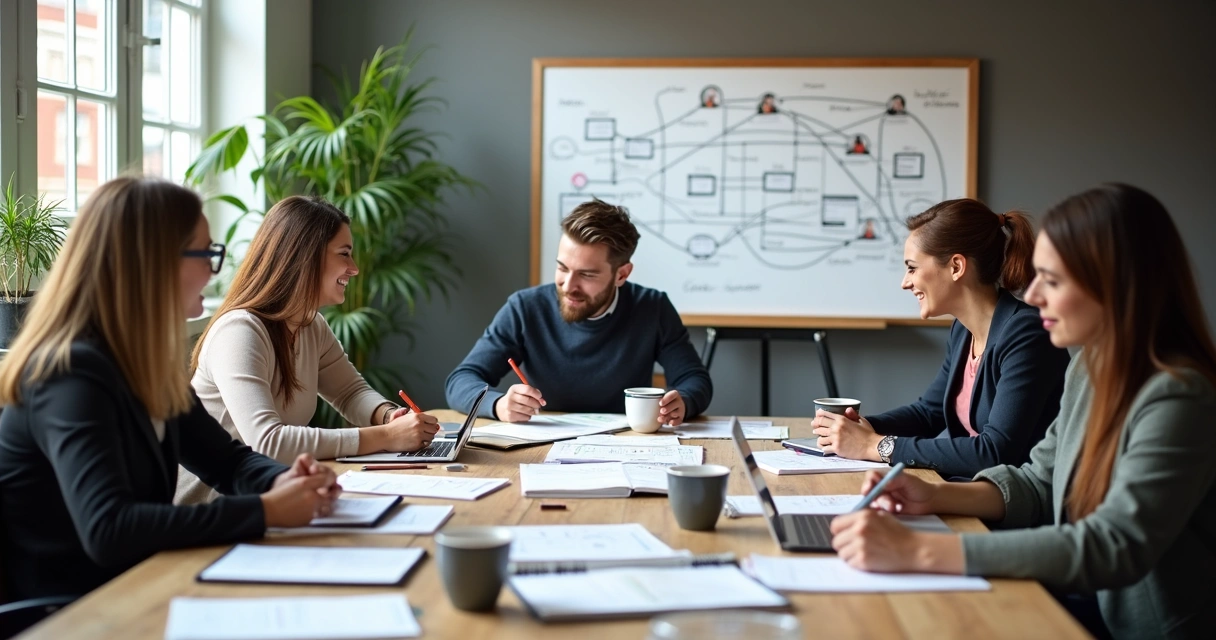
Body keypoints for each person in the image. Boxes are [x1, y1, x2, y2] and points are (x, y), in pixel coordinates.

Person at [829, 184, 1216, 639]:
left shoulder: (1179, 396)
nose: (1031, 295)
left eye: (1051, 280)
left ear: (1114, 286)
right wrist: (932, 496)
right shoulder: (1089, 368)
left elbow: (1114, 546)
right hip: (1086, 602)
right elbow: (1036, 481)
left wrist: (921, 550)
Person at [0, 177, 340, 602]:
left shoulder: (141, 364)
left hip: (137, 590)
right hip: (71, 615)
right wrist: (266, 509)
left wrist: (285, 479)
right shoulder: (67, 374)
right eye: (206, 254)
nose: (214, 270)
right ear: (152, 264)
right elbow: (109, 529)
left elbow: (227, 462)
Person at [176, 196, 438, 505]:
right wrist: (386, 437)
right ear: (305, 256)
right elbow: (268, 442)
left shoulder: (311, 325)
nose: (353, 269)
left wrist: (388, 415)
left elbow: (349, 392)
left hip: (272, 499)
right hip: (212, 512)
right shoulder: (239, 331)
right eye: (345, 254)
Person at [811, 199, 1070, 478]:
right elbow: (928, 414)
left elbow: (995, 452)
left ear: (956, 266)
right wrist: (860, 428)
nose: (905, 282)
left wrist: (877, 446)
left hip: (1012, 509)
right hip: (967, 491)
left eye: (912, 268)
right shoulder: (962, 330)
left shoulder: (1027, 334)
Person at [445, 198, 712, 426]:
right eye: (562, 268)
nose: (568, 286)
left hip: (625, 446)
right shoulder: (525, 308)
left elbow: (694, 379)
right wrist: (499, 404)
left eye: (586, 274)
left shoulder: (653, 308)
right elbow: (461, 381)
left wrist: (683, 402)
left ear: (621, 274)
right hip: (541, 447)